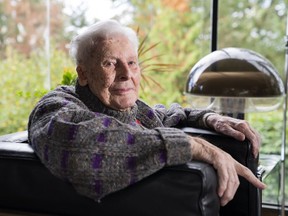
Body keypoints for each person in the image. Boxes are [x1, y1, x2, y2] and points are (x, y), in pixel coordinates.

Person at [28, 19, 265, 207]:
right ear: (83, 74)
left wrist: (209, 117)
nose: (126, 74)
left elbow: (165, 113)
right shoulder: (56, 107)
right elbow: (86, 147)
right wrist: (196, 146)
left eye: (132, 63)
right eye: (110, 63)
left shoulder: (130, 108)